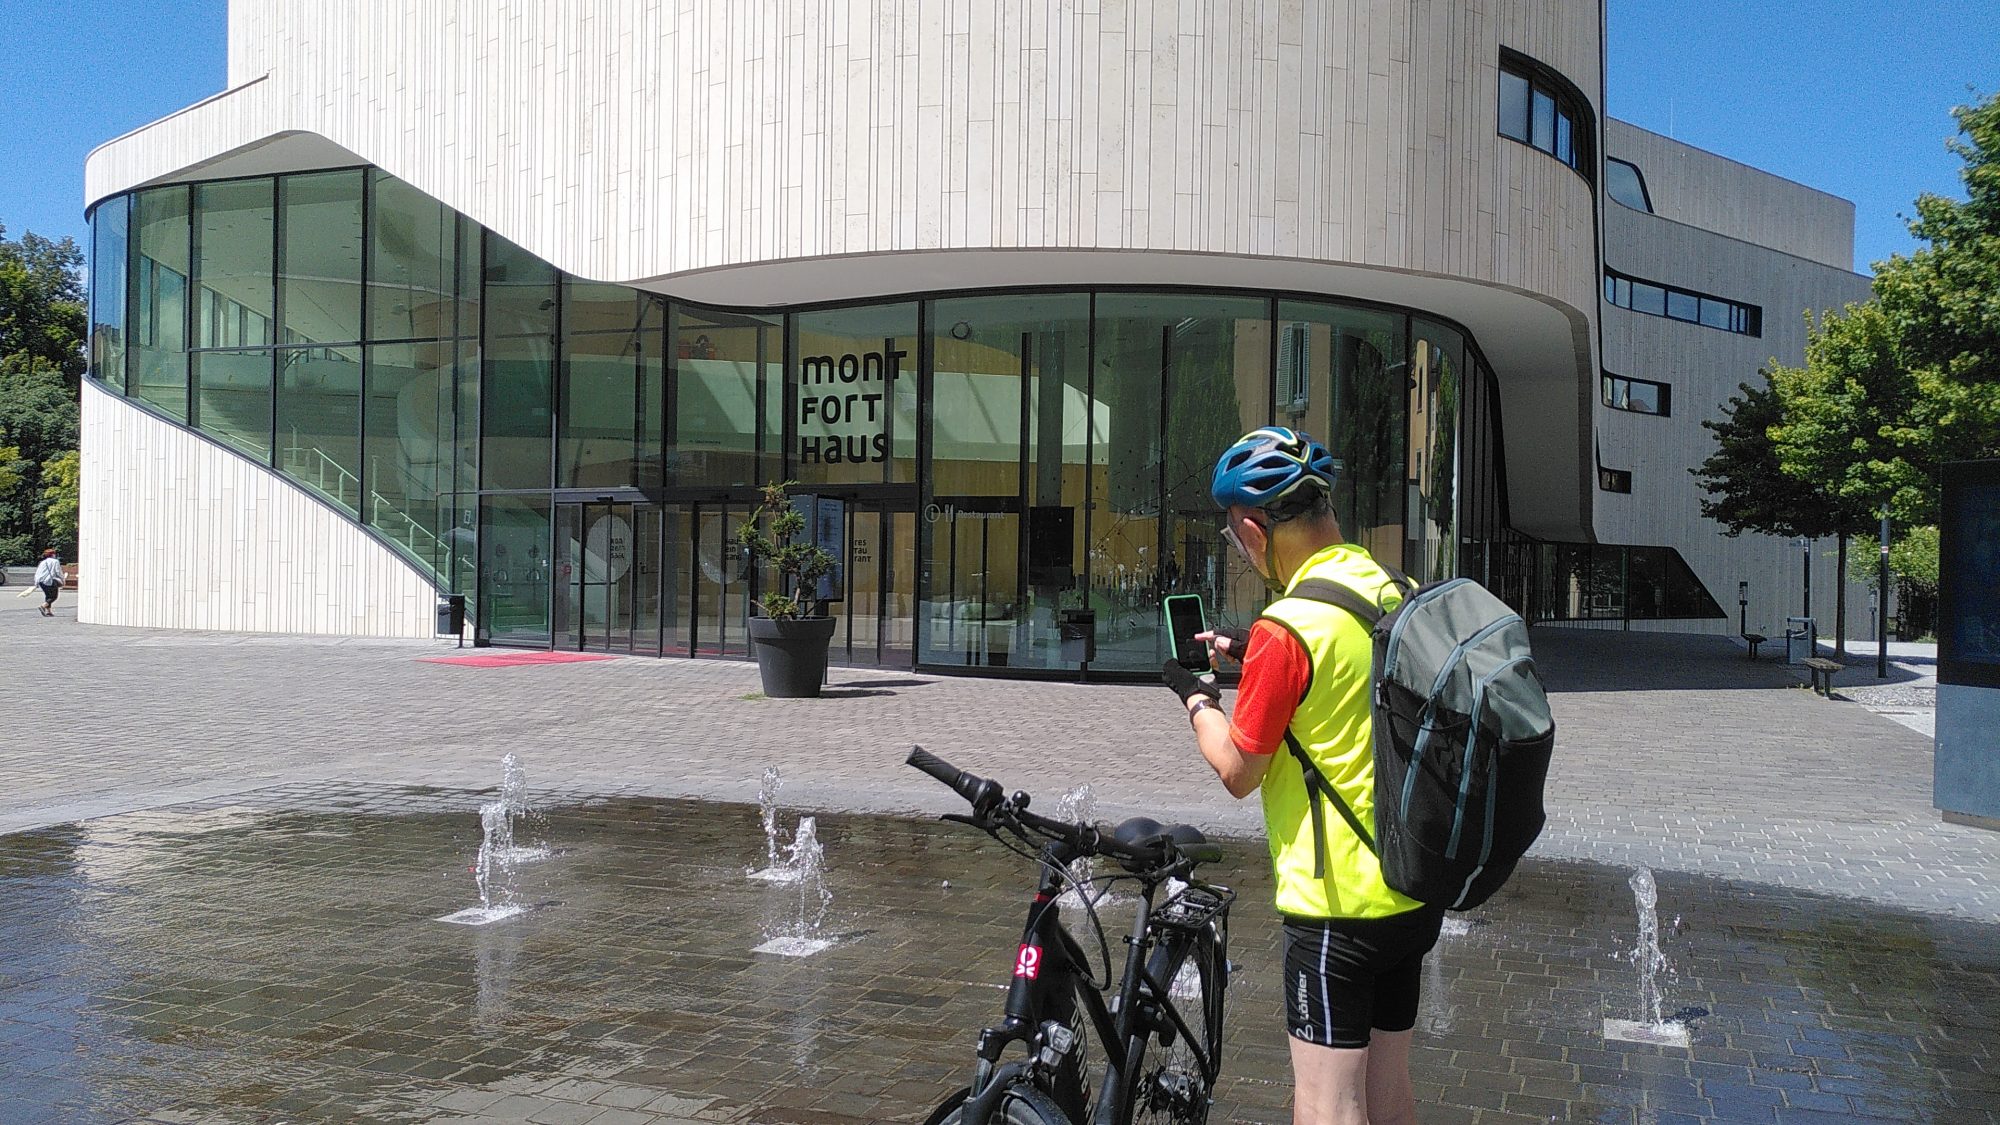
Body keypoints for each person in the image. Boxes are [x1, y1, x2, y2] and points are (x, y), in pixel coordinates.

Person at [1162, 426, 1443, 1125]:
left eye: (1236, 536)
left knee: (1326, 1104)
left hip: (1334, 909)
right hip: (1410, 888)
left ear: (1255, 531)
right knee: (1390, 1089)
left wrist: (1197, 698)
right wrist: (1251, 652)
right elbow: (1347, 677)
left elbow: (1238, 770)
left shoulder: (1288, 627)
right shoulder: (1394, 589)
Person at [34, 549, 65, 617]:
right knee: (54, 596)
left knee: (48, 596)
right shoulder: (55, 561)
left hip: (41, 581)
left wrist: (36, 583)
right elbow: (58, 572)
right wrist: (63, 580)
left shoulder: (42, 562)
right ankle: (43, 606)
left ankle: (48, 611)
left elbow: (37, 573)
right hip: (49, 581)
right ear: (52, 555)